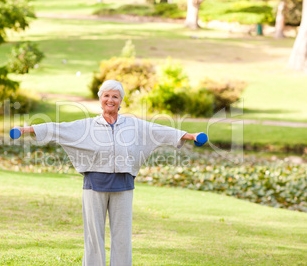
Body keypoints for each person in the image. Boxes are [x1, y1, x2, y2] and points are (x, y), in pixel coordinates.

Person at [14, 80, 203, 266]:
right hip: (94, 186)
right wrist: (25, 130)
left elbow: (159, 131)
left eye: (115, 96)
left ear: (121, 101)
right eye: (106, 95)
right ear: (100, 99)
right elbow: (58, 128)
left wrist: (190, 136)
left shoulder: (133, 125)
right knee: (93, 237)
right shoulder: (87, 125)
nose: (110, 99)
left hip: (123, 186)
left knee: (122, 237)